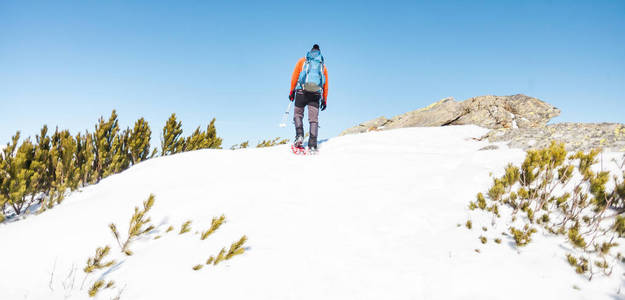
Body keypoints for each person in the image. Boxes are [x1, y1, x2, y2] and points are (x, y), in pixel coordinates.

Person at [288, 44, 329, 152]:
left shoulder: (302, 61)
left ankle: (299, 135)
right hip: (315, 94)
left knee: (297, 114)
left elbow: (295, 76)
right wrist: (324, 99)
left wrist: (292, 91)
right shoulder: (322, 66)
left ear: (310, 52)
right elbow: (326, 84)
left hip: (301, 91)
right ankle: (312, 145)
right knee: (313, 120)